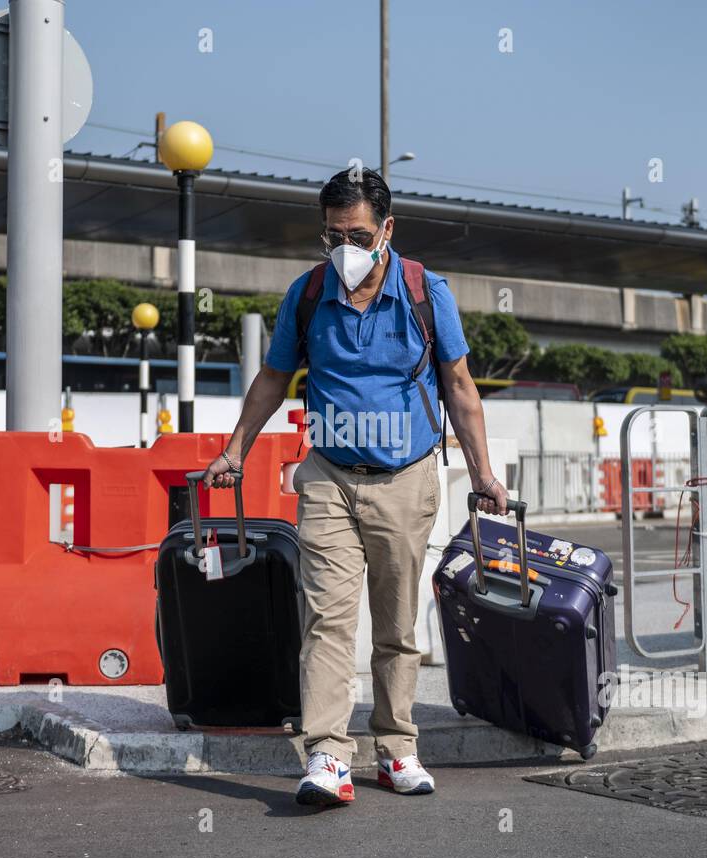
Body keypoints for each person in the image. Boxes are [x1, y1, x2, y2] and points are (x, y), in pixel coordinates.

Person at [203, 167, 507, 807]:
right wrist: (234, 450)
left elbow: (459, 385)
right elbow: (272, 378)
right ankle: (327, 757)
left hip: (406, 477)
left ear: (386, 230)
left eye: (359, 233)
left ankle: (397, 749)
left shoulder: (427, 292)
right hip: (328, 478)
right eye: (333, 234)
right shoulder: (308, 294)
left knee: (396, 624)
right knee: (327, 620)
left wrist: (483, 476)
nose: (346, 246)